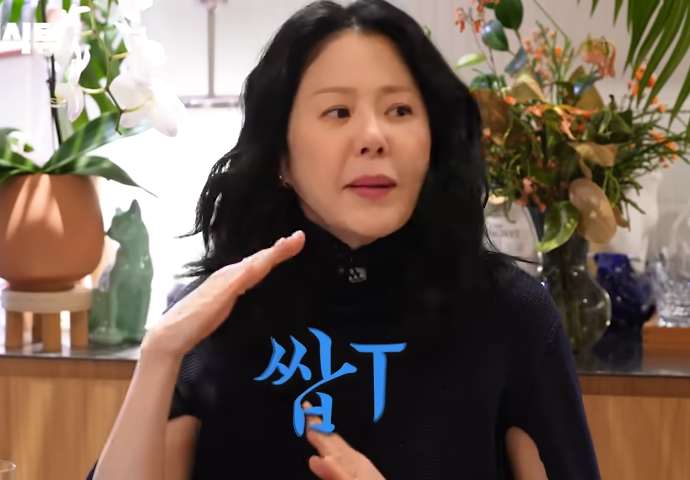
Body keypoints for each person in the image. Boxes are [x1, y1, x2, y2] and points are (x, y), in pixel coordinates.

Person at [89, 0, 601, 479]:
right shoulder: (216, 315)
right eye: (338, 112)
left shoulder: (510, 316)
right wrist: (159, 355)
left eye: (400, 110)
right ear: (282, 157)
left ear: (433, 143)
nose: (373, 137)